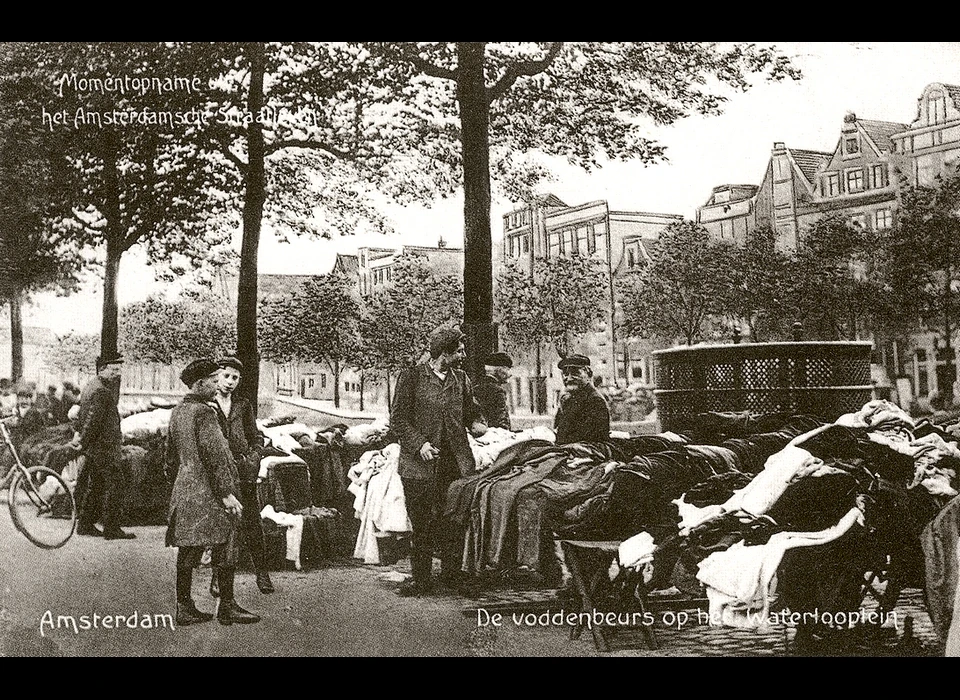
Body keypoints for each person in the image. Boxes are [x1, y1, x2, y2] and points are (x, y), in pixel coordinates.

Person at [390, 325, 488, 597]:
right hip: (418, 465)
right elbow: (397, 419)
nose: (463, 355)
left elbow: (471, 413)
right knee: (422, 522)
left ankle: (451, 574)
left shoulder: (461, 378)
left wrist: (478, 423)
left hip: (454, 463)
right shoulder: (412, 377)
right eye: (459, 351)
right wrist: (419, 443)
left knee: (454, 521)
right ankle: (421, 579)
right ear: (443, 354)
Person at [166, 358, 259, 626]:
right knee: (227, 539)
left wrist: (182, 482)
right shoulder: (205, 413)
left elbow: (169, 458)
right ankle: (227, 607)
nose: (219, 383)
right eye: (214, 379)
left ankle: (183, 607)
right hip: (210, 490)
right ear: (200, 383)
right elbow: (217, 457)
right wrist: (227, 494)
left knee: (188, 548)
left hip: (186, 489)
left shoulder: (179, 411)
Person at [207, 355, 274, 597]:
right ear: (217, 376)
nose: (230, 382)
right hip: (220, 473)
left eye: (235, 378)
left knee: (252, 522)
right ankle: (217, 576)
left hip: (244, 472)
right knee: (221, 526)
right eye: (226, 376)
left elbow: (256, 437)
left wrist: (254, 457)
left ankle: (262, 573)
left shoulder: (243, 405)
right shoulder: (208, 405)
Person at [72, 354, 135, 540]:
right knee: (116, 485)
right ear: (102, 369)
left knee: (97, 486)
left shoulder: (92, 386)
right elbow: (93, 420)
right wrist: (83, 440)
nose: (118, 373)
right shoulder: (102, 391)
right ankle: (112, 528)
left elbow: (85, 416)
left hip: (95, 448)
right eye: (114, 370)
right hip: (104, 448)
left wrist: (83, 441)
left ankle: (85, 524)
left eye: (119, 369)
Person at [554, 354, 611, 445]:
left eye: (575, 373)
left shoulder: (595, 400)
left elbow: (589, 437)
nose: (568, 378)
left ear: (588, 375)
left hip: (589, 453)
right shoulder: (568, 399)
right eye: (565, 374)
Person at [474, 351, 513, 431]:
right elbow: (502, 423)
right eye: (507, 369)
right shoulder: (498, 391)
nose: (510, 374)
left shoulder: (476, 388)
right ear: (498, 370)